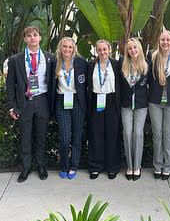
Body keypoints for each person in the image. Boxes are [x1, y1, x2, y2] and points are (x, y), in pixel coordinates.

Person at [6, 26, 55, 182]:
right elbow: (10, 84)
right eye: (29, 36)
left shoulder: (50, 58)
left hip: (42, 101)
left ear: (40, 38)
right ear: (25, 39)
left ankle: (41, 166)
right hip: (24, 103)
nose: (33, 38)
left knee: (41, 136)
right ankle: (26, 168)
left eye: (35, 35)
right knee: (25, 137)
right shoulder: (15, 60)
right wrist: (12, 106)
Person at [148, 30, 170, 180]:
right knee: (157, 133)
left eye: (168, 40)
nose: (165, 42)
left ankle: (167, 166)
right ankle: (157, 165)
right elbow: (147, 77)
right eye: (162, 39)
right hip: (155, 101)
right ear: (159, 41)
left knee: (168, 134)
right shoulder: (152, 56)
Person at [52, 37, 87, 180]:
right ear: (60, 48)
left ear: (74, 49)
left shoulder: (81, 62)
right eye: (64, 47)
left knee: (77, 136)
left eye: (70, 47)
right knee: (65, 138)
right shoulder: (55, 62)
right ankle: (64, 165)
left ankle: (74, 166)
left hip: (77, 101)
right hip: (62, 101)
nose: (67, 49)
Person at [87, 40, 121, 180]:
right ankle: (96, 166)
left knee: (112, 135)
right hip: (96, 101)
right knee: (96, 135)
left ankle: (112, 167)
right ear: (96, 51)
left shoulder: (116, 64)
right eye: (99, 50)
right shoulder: (90, 65)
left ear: (109, 50)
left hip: (112, 101)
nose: (102, 52)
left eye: (105, 49)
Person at [119, 38, 149, 181]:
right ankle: (129, 166)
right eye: (130, 48)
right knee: (127, 133)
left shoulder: (146, 65)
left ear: (140, 49)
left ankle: (137, 166)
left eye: (135, 47)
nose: (133, 50)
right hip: (126, 105)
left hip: (141, 105)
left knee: (137, 133)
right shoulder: (122, 64)